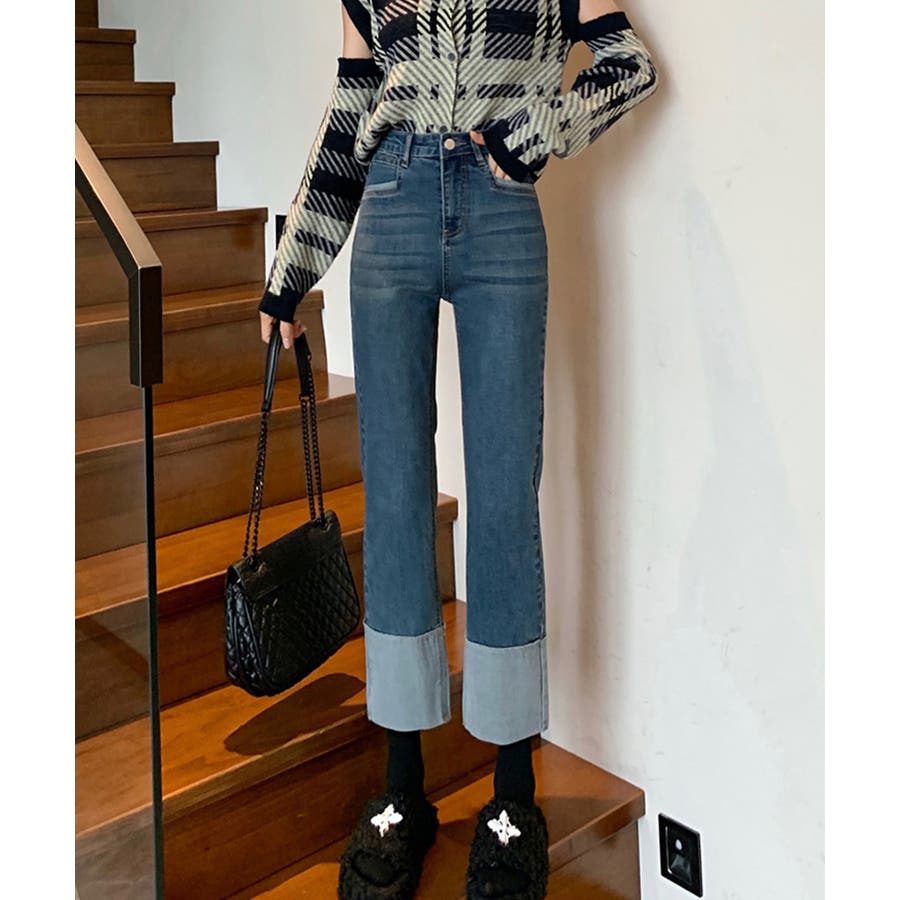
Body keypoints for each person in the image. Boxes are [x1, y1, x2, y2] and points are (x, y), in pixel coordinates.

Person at [258, 2, 659, 897]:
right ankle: (403, 786)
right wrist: (293, 271)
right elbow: (349, 112)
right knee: (398, 492)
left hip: (501, 213)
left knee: (505, 493)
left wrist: (532, 134)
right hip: (391, 204)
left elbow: (629, 67)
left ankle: (512, 797)